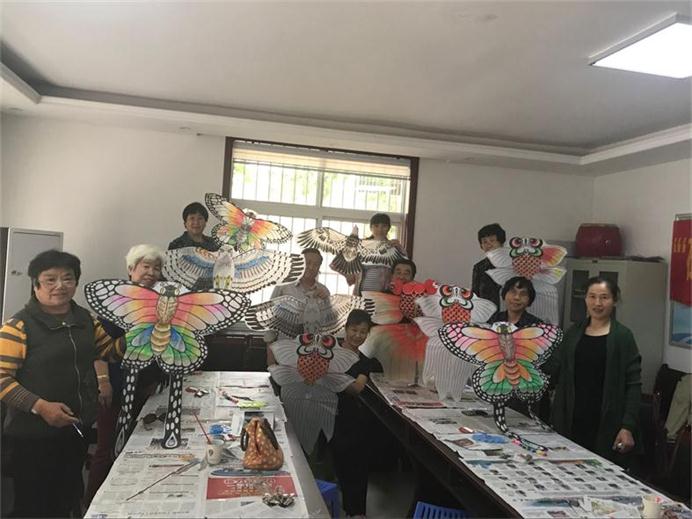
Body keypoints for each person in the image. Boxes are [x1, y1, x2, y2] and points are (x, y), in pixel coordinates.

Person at [0, 250, 123, 517]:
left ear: (76, 282)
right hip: (32, 436)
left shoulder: (85, 320)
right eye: (50, 279)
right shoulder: (18, 326)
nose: (60, 286)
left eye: (68, 278)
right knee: (34, 506)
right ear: (36, 284)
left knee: (66, 498)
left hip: (74, 429)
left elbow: (108, 352)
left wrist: (140, 335)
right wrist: (40, 406)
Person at [84, 244, 166, 507]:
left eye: (156, 268)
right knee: (107, 447)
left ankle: (125, 503)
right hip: (115, 385)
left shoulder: (160, 304)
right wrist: (104, 382)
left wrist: (156, 379)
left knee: (136, 445)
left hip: (145, 386)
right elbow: (98, 348)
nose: (151, 272)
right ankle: (93, 504)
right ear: (131, 269)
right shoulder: (116, 300)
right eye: (145, 266)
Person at [547, 277, 642, 465]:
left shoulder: (623, 337)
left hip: (606, 421)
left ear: (614, 301)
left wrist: (627, 426)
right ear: (585, 299)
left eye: (604, 297)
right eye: (592, 296)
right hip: (571, 418)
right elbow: (553, 369)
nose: (597, 303)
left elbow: (633, 385)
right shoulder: (573, 333)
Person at [330, 309, 376, 518]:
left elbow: (357, 388)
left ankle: (356, 512)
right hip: (326, 415)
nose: (358, 335)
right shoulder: (330, 351)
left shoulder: (365, 361)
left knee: (357, 467)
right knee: (335, 468)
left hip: (351, 419)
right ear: (346, 328)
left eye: (363, 332)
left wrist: (331, 376)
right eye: (354, 330)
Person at [346, 213, 405, 295]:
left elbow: (405, 268)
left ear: (389, 228)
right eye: (376, 226)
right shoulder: (362, 246)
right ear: (371, 228)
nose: (380, 229)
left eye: (384, 226)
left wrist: (400, 249)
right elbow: (350, 276)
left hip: (384, 294)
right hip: (360, 294)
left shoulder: (393, 247)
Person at [472, 223, 505, 308]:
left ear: (501, 242)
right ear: (481, 246)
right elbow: (475, 296)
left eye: (492, 240)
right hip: (487, 312)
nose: (488, 244)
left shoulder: (511, 264)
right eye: (484, 242)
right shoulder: (479, 267)